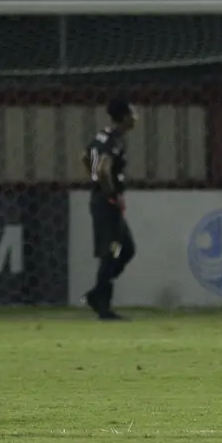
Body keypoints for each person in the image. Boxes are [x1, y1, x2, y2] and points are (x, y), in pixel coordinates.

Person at [80, 99, 138, 321]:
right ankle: (103, 306)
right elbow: (104, 169)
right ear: (124, 116)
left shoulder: (103, 134)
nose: (136, 116)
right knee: (112, 252)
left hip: (102, 201)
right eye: (133, 112)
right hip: (107, 204)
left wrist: (95, 180)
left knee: (125, 249)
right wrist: (110, 193)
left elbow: (85, 157)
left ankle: (97, 292)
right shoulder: (115, 140)